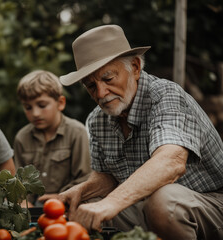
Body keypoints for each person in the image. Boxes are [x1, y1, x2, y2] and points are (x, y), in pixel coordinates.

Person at [57, 25, 223, 240]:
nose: (100, 93)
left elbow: (171, 162)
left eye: (108, 79)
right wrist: (84, 190)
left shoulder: (165, 96)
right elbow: (107, 177)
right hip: (152, 207)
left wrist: (110, 203)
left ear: (135, 67)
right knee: (86, 207)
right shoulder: (98, 119)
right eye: (90, 86)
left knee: (164, 202)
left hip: (213, 203)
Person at [14, 70, 91, 207]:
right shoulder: (22, 137)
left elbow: (84, 178)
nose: (35, 113)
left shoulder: (76, 132)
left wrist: (61, 196)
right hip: (33, 208)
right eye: (28, 107)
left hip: (69, 204)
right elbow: (19, 183)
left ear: (60, 103)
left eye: (42, 105)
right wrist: (24, 202)